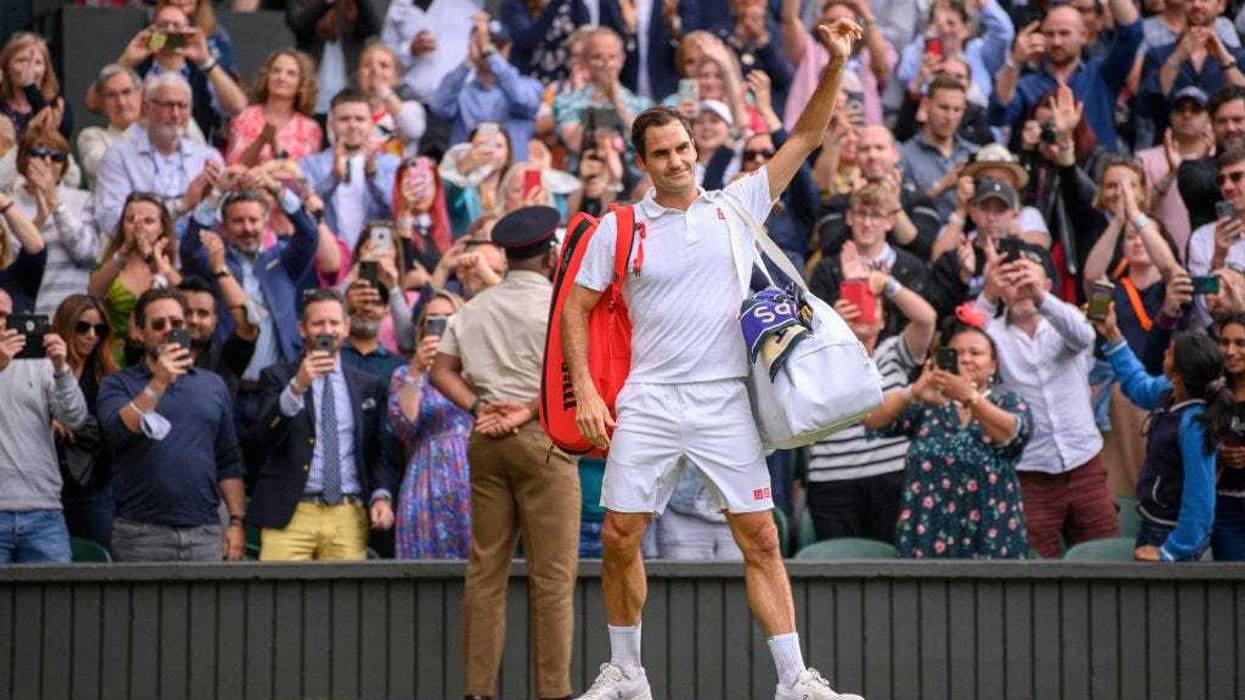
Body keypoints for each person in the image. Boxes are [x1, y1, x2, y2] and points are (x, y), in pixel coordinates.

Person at [564, 19, 867, 700]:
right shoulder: (617, 228)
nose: (675, 161)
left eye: (681, 148)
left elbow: (805, 136)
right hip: (648, 398)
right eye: (661, 154)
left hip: (724, 397)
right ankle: (626, 674)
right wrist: (585, 389)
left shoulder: (736, 206)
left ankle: (794, 680)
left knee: (759, 536)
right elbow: (575, 311)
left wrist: (835, 61)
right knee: (618, 535)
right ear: (642, 163)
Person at [430, 205, 580, 700]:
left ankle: (478, 693)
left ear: (508, 256)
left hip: (487, 440)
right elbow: (577, 381)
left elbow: (440, 372)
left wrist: (479, 407)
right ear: (552, 256)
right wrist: (531, 410)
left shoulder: (472, 308)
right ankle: (553, 693)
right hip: (543, 443)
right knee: (553, 580)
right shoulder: (562, 307)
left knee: (485, 572)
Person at [977, 246, 1120, 558]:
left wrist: (1040, 296)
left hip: (1085, 468)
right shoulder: (993, 336)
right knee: (1039, 574)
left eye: (1029, 278)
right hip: (1028, 476)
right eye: (1012, 280)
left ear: (1048, 285)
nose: (1022, 286)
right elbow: (970, 343)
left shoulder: (1065, 322)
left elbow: (1084, 336)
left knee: (1106, 562)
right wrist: (988, 290)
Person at [863, 316, 1034, 559]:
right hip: (928, 535)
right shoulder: (931, 404)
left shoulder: (1008, 402)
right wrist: (913, 392)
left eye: (976, 353)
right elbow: (871, 418)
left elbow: (1012, 434)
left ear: (994, 364)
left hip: (991, 534)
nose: (966, 359)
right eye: (957, 352)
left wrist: (970, 398)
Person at [247, 288, 399, 561]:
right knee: (279, 599)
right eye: (318, 323)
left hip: (348, 512)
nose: (327, 330)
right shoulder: (277, 377)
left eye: (334, 322)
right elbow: (260, 439)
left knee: (345, 601)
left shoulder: (369, 385)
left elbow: (379, 452)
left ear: (346, 327)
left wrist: (381, 496)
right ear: (302, 329)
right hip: (291, 512)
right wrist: (297, 386)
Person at [97, 288, 246, 562]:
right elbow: (117, 432)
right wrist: (159, 382)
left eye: (176, 324)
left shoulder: (212, 385)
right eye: (158, 324)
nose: (169, 330)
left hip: (205, 531)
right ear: (141, 333)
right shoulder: (118, 384)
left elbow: (228, 458)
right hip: (140, 534)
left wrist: (236, 521)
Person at [180, 181, 320, 457]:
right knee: (227, 467)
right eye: (238, 221)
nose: (248, 228)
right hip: (227, 387)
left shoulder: (282, 261)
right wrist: (216, 194)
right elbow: (188, 247)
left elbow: (309, 235)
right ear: (223, 226)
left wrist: (279, 189)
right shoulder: (214, 263)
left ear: (266, 221)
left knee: (271, 470)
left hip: (276, 390)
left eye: (254, 219)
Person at [806, 260, 936, 544]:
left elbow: (926, 319)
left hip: (892, 475)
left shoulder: (894, 352)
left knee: (894, 568)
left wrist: (888, 285)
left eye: (870, 304)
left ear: (884, 319)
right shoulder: (822, 352)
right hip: (831, 478)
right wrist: (826, 324)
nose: (861, 311)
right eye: (852, 304)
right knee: (835, 575)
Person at [1096, 308, 1221, 562]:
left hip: (1172, 537)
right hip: (1153, 525)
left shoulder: (1193, 423)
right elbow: (1138, 385)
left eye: (1170, 353)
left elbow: (1200, 499)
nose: (1165, 352)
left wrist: (1171, 552)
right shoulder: (1169, 392)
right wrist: (1112, 333)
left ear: (1178, 374)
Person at [0, 288, 86, 563]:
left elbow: (75, 419)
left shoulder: (38, 363)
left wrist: (61, 369)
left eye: (5, 315)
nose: (1, 322)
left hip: (43, 512)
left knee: (56, 605)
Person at [990, 0, 1141, 152]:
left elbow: (1132, 34)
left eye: (1064, 33)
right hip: (1045, 170)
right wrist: (1014, 61)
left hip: (1097, 169)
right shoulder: (1027, 85)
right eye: (1049, 34)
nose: (1056, 41)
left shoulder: (1101, 73)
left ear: (1084, 36)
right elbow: (1000, 113)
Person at [388, 290, 472, 559]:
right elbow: (402, 427)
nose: (441, 327)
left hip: (475, 473)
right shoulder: (404, 374)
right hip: (426, 477)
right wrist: (416, 371)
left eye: (448, 319)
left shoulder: (477, 369)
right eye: (432, 321)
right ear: (421, 330)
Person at [92, 72, 224, 233]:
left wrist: (218, 193)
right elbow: (110, 221)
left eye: (182, 106)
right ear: (147, 108)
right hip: (141, 254)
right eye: (168, 105)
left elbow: (224, 221)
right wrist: (181, 206)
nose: (175, 114)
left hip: (200, 253)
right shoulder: (119, 156)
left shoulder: (208, 156)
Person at [809, 182, 930, 341]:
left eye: (876, 215)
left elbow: (920, 322)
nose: (867, 223)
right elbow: (810, 323)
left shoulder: (911, 267)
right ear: (849, 217)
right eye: (861, 214)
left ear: (890, 222)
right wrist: (831, 317)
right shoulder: (827, 268)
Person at [112, 4, 247, 140]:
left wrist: (206, 61)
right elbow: (94, 104)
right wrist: (125, 62)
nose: (170, 31)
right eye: (163, 25)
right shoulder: (139, 68)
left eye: (177, 26)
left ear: (188, 32)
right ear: (152, 31)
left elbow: (238, 107)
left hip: (192, 153)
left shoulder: (202, 71)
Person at [51, 294, 121, 550]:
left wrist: (71, 426)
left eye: (99, 329)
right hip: (48, 487)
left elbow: (110, 429)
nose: (91, 335)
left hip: (96, 487)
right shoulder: (41, 371)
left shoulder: (109, 377)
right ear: (65, 326)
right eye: (82, 327)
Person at [814, 124, 942, 262]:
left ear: (896, 155)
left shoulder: (921, 201)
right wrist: (855, 204)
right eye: (864, 149)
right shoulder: (835, 204)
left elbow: (922, 251)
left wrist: (893, 205)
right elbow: (830, 249)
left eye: (879, 148)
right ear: (856, 156)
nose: (872, 155)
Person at [428, 12, 542, 161]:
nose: (488, 49)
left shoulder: (529, 85)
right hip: (466, 176)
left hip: (510, 177)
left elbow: (523, 99)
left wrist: (490, 54)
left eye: (498, 45)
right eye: (482, 44)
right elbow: (438, 105)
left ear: (508, 48)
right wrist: (468, 61)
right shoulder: (462, 90)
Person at [8, 127, 97, 317]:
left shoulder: (83, 200)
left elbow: (86, 253)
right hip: (26, 314)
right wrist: (38, 221)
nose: (48, 161)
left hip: (74, 317)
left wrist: (56, 204)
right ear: (23, 159)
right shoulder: (9, 207)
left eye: (57, 156)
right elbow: (10, 261)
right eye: (38, 154)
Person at [88, 192, 182, 365]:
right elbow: (93, 293)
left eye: (148, 221)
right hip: (115, 358)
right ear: (122, 225)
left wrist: (153, 259)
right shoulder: (111, 264)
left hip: (162, 355)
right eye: (130, 220)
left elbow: (184, 295)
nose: (139, 227)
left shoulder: (168, 266)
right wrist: (124, 251)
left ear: (161, 228)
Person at [299, 87, 400, 250]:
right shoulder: (311, 165)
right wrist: (333, 178)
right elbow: (305, 212)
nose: (352, 125)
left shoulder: (390, 164)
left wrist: (373, 174)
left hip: (375, 256)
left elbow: (394, 211)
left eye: (360, 119)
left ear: (371, 123)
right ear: (332, 123)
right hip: (328, 257)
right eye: (344, 119)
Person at [780, 0, 895, 130]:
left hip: (860, 139)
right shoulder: (809, 51)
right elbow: (789, 20)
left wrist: (867, 16)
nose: (839, 26)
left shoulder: (868, 55)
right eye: (831, 21)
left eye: (846, 20)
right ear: (821, 25)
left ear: (857, 25)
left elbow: (883, 67)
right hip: (813, 138)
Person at [1137, 86, 1213, 255]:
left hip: (1211, 253)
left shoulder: (1220, 158)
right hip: (1160, 256)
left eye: (1196, 110)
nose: (1187, 115)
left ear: (1209, 118)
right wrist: (1171, 174)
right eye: (1180, 109)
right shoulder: (1144, 159)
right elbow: (1138, 212)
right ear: (1170, 115)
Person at [553, 27, 652, 156]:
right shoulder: (566, 102)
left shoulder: (643, 105)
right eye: (597, 57)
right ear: (585, 61)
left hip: (633, 174)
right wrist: (594, 105)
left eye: (612, 57)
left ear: (622, 59)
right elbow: (574, 145)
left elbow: (647, 146)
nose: (605, 64)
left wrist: (618, 105)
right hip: (584, 172)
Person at [285, 0, 387, 117]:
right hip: (310, 101)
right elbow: (298, 25)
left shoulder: (353, 6)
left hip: (348, 103)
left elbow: (373, 27)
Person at [225, 49, 323, 167]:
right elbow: (233, 168)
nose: (281, 77)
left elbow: (302, 178)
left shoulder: (310, 129)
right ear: (267, 77)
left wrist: (275, 144)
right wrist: (261, 140)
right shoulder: (244, 117)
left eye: (291, 74)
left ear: (302, 84)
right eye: (276, 71)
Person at [899, 76, 979, 218]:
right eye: (943, 108)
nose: (950, 117)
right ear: (925, 105)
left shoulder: (974, 153)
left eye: (957, 110)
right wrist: (942, 185)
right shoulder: (904, 155)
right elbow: (900, 206)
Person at [381, 0, 479, 104]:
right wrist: (410, 49)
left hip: (462, 100)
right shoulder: (399, 7)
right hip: (418, 103)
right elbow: (386, 58)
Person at [177, 272, 257, 401]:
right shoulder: (154, 353)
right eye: (186, 312)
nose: (194, 320)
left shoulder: (226, 358)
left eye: (203, 313)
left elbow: (248, 323)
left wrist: (220, 269)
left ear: (215, 320)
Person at [1210, 312, 1245, 560]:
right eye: (1224, 342)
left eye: (1240, 343)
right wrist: (1218, 454)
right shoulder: (1213, 394)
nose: (1230, 351)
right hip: (1226, 510)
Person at [356, 41, 427, 157]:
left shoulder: (412, 107)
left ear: (396, 77)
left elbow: (413, 130)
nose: (375, 71)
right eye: (367, 66)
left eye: (384, 66)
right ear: (358, 76)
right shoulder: (347, 111)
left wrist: (383, 91)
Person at [76, 65, 145, 184]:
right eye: (111, 95)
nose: (121, 102)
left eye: (126, 92)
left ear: (140, 95)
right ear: (102, 103)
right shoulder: (91, 137)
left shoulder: (160, 135)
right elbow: (105, 167)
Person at [0, 32, 73, 144]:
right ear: (7, 67)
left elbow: (58, 142)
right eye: (21, 60)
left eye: (37, 62)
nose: (30, 69)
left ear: (45, 69)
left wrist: (30, 88)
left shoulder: (57, 105)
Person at [1188, 149, 1245, 277]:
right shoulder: (1202, 238)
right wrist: (1219, 256)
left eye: (1236, 177)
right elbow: (1202, 296)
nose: (1227, 187)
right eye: (1221, 181)